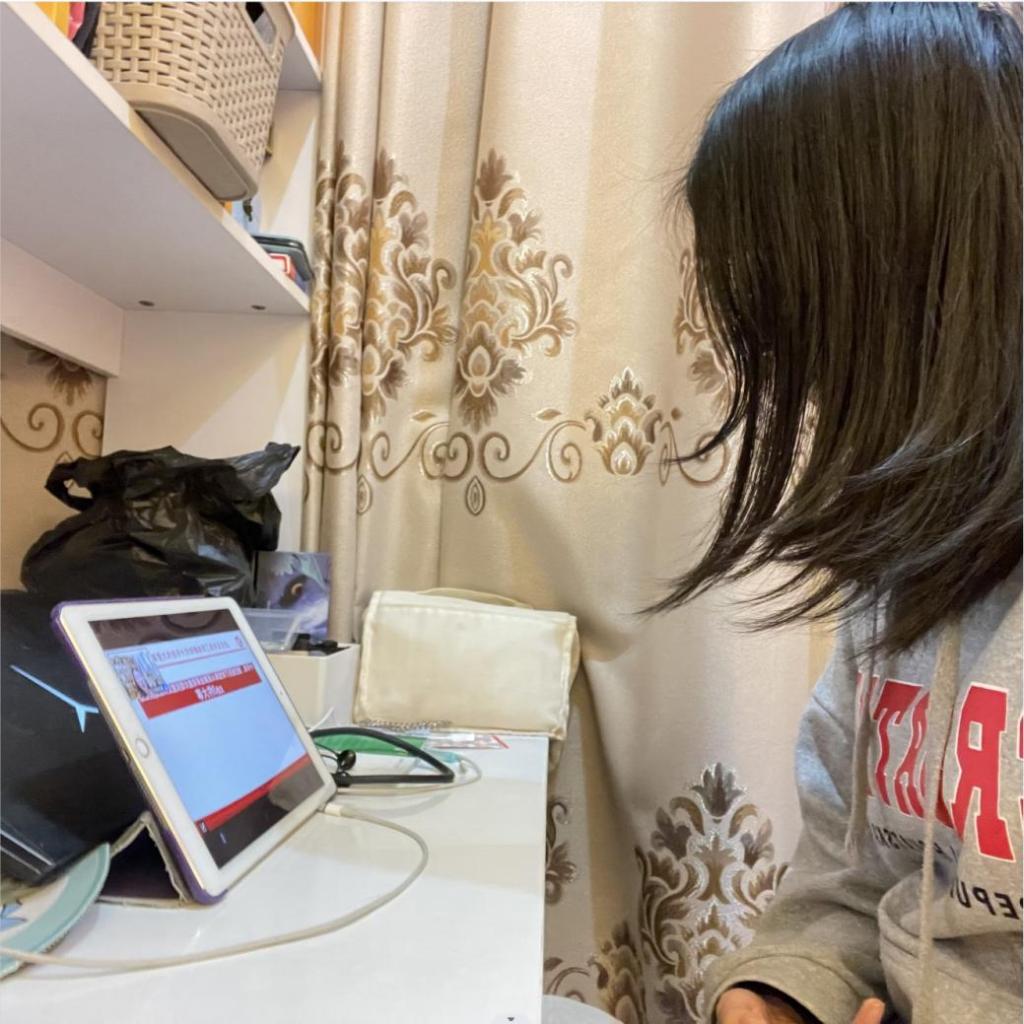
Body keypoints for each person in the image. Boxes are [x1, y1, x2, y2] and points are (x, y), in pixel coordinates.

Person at [653, 4, 1022, 1023]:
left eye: (810, 324)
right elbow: (851, 883)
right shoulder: (910, 561)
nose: (805, 384)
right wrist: (777, 990)